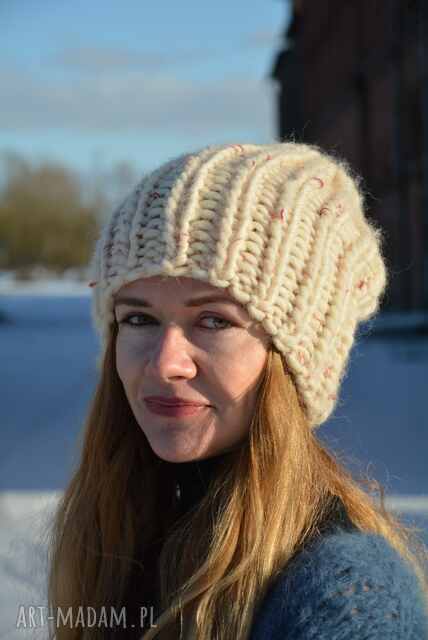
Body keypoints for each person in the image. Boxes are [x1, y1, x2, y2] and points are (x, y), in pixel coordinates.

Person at [47, 142, 428, 639]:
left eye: (213, 320)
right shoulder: (119, 540)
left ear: (293, 359)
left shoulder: (348, 597)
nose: (166, 363)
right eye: (139, 319)